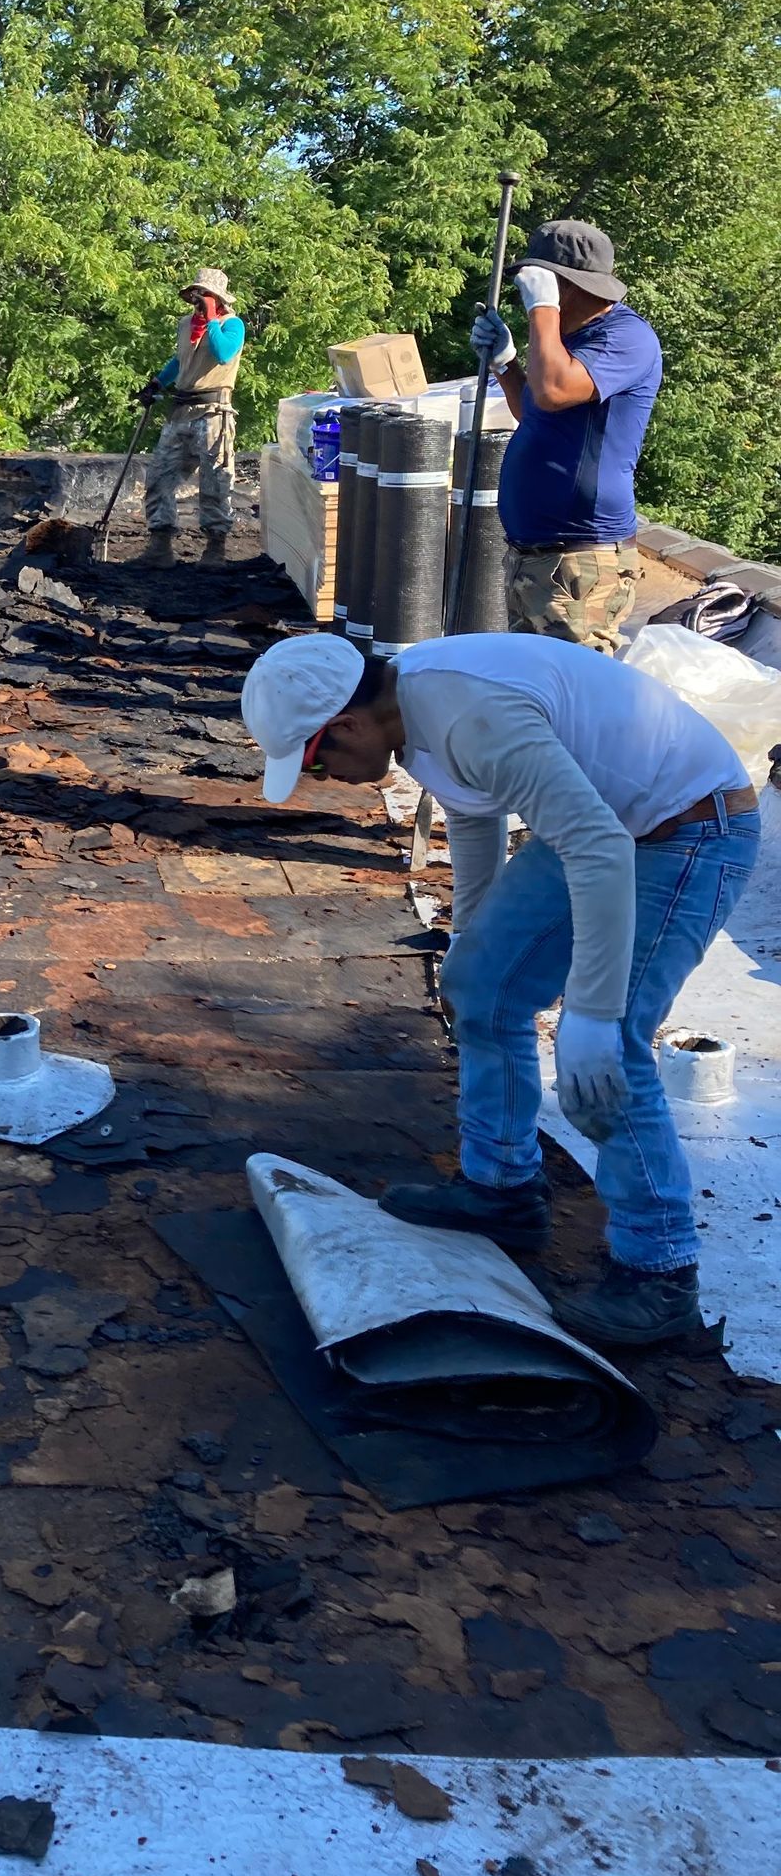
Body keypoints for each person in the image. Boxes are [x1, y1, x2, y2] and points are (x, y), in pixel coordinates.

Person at [239, 628, 759, 1351]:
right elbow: (474, 810)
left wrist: (594, 1014)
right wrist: (472, 942)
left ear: (350, 723)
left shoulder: (470, 713)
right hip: (601, 823)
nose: (320, 776)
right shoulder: (410, 706)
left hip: (690, 830)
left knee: (611, 1054)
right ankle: (503, 1190)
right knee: (482, 988)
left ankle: (658, 1271)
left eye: (317, 758)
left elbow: (599, 846)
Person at [470, 220, 663, 653]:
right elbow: (536, 412)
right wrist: (506, 363)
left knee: (572, 697)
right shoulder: (567, 340)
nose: (525, 300)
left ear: (567, 287)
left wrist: (543, 309)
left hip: (580, 561)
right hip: (536, 558)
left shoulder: (626, 338)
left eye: (537, 286)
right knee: (533, 691)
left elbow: (555, 391)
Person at [144, 268, 246, 563]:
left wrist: (212, 319)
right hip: (181, 411)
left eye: (204, 296)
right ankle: (160, 547)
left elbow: (223, 353)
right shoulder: (187, 324)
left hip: (214, 413)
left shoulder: (231, 325)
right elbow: (180, 360)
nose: (197, 301)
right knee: (159, 476)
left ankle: (215, 548)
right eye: (196, 296)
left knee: (215, 480)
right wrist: (157, 383)